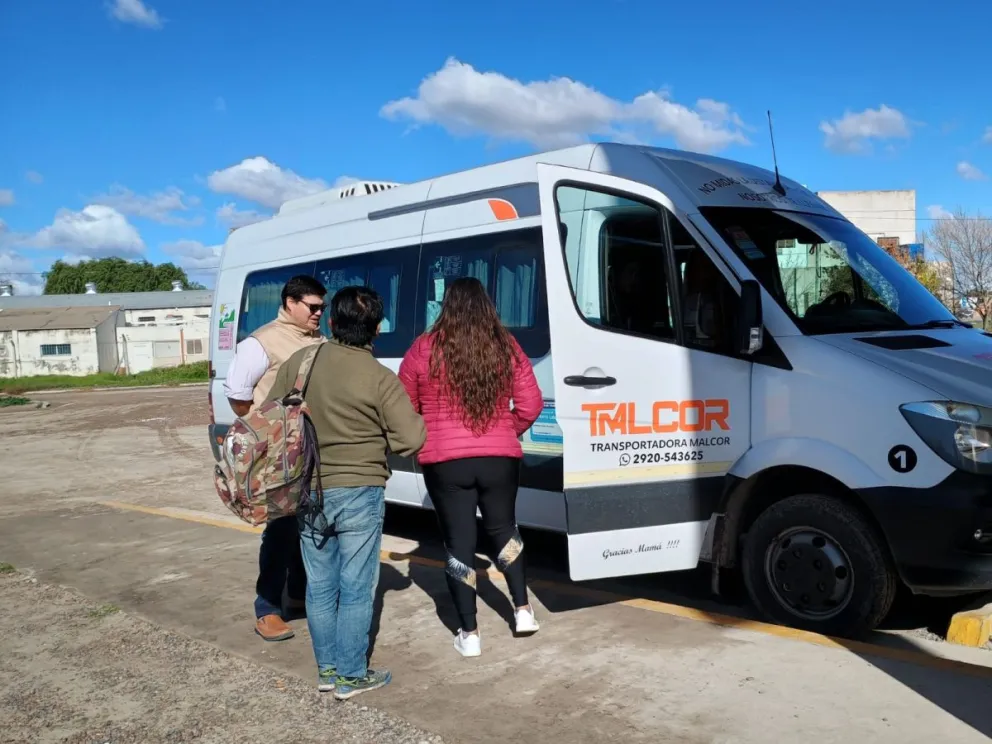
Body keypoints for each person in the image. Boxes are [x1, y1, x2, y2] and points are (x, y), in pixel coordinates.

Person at [267, 285, 426, 700]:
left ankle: (328, 670)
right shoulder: (378, 377)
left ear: (333, 323)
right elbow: (410, 439)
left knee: (320, 584)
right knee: (356, 586)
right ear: (377, 329)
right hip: (360, 489)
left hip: (307, 488)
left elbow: (270, 414)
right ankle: (352, 676)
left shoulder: (300, 362)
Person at [398, 276, 543, 658]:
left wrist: (431, 434)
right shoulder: (506, 346)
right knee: (503, 531)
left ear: (446, 306)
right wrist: (504, 432)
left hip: (446, 463)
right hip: (499, 459)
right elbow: (531, 404)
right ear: (487, 306)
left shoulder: (424, 348)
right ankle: (523, 610)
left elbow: (405, 405)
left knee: (459, 544)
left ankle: (470, 632)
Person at [223, 274, 327, 642]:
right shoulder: (262, 341)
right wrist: (267, 428)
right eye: (313, 307)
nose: (319, 314)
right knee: (280, 530)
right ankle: (267, 608)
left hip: (312, 450)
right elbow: (238, 396)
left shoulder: (319, 340)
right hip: (279, 454)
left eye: (322, 308)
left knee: (310, 526)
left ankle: (298, 595)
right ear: (290, 303)